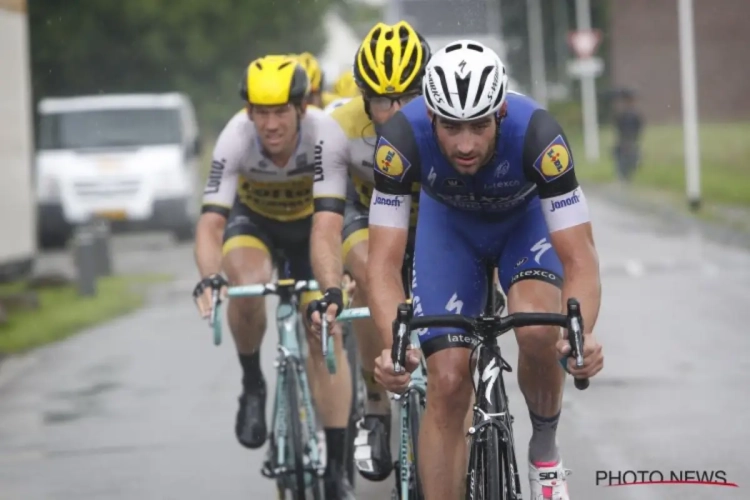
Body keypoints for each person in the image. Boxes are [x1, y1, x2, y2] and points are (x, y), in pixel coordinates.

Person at [367, 40, 604, 500]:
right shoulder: (398, 142)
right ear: (430, 115)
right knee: (449, 380)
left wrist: (581, 336)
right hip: (450, 232)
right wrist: (393, 348)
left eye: (478, 124)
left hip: (523, 224)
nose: (466, 144)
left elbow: (580, 257)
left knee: (537, 327)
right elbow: (382, 264)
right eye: (451, 127)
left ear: (499, 113)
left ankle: (544, 445)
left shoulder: (540, 137)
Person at [191, 54, 354, 499]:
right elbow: (210, 223)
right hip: (256, 225)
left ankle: (336, 469)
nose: (270, 124)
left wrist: (329, 288)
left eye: (280, 111)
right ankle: (252, 384)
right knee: (243, 283)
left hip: (310, 230)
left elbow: (327, 224)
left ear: (301, 108)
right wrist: (209, 277)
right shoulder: (235, 138)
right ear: (249, 113)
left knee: (326, 332)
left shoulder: (325, 134)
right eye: (260, 112)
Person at [307, 20, 431, 483]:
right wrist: (329, 288)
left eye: (408, 96)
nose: (396, 112)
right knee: (366, 275)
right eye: (382, 100)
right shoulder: (337, 127)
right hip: (368, 215)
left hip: (432, 217)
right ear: (364, 97)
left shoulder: (448, 122)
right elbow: (326, 221)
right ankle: (376, 404)